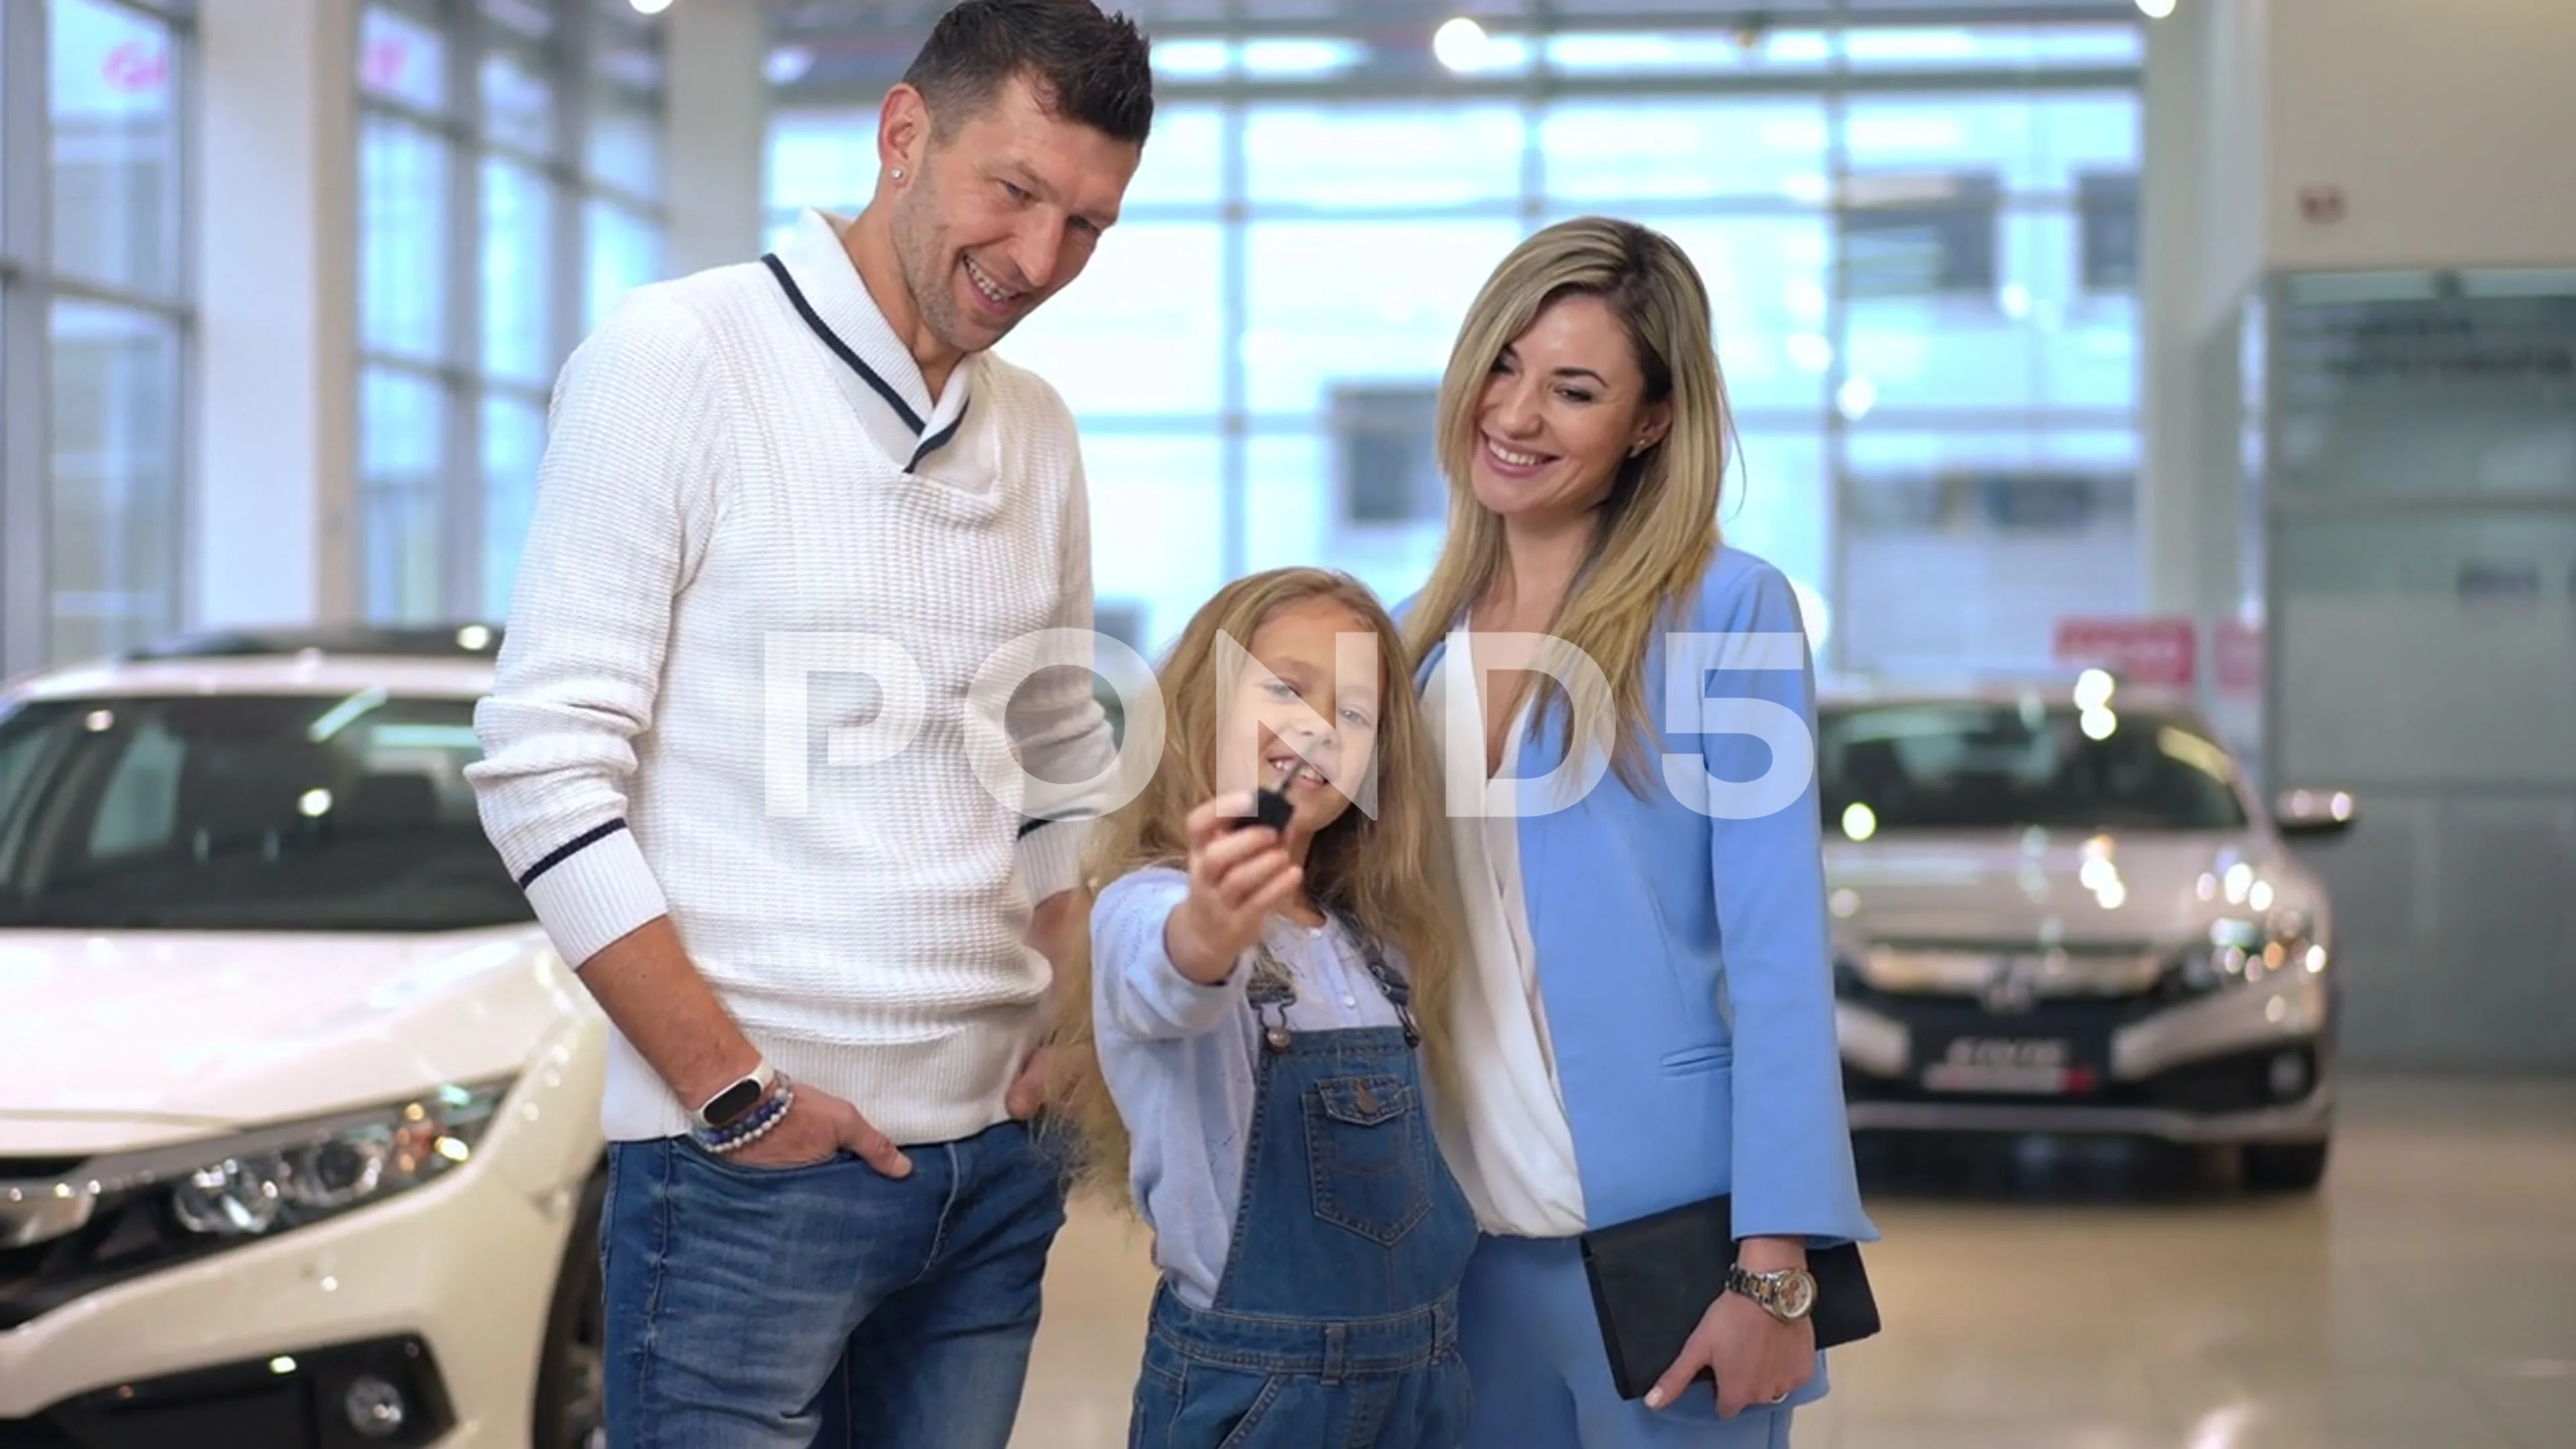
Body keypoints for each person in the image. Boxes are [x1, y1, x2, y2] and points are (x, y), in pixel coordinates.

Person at [462, 2, 1156, 1444]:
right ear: (904, 136)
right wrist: (730, 1096)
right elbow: (541, 770)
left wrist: (1068, 1038)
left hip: (989, 1169)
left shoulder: (1034, 428)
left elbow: (1051, 769)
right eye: (1013, 193)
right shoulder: (677, 358)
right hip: (747, 1175)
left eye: (1086, 224)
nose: (1039, 262)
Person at [1397, 216, 1880, 1446]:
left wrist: (1775, 1273)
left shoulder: (1726, 610)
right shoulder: (1406, 647)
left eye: (1574, 389)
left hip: (1667, 1262)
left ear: (1651, 423)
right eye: (1503, 366)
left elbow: (1777, 960)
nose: (1516, 413)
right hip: (1457, 1264)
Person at [1046, 568, 1479, 1447]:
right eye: (1285, 687)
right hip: (1258, 1390)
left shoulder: (1371, 946)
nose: (1320, 726)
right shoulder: (1149, 903)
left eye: (1357, 713)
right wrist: (1209, 930)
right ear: (1204, 706)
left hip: (1423, 1378)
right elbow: (1169, 976)